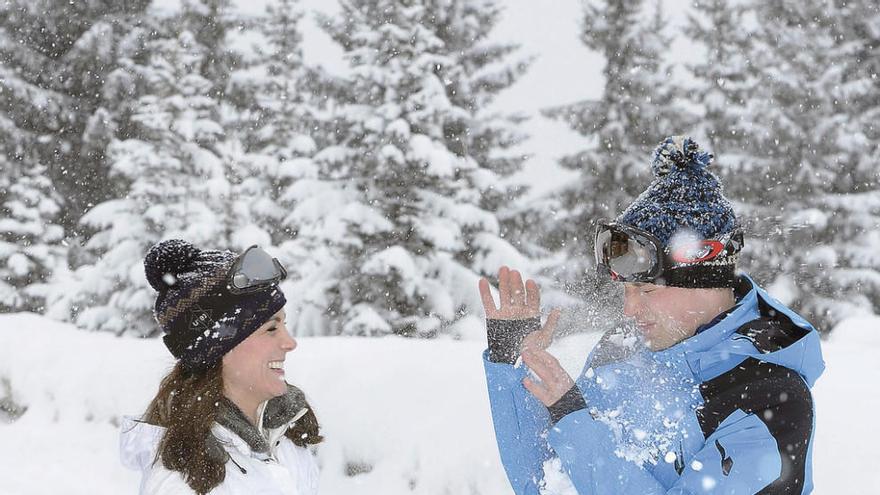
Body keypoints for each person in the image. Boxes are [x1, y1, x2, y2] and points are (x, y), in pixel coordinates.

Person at [479, 136, 825, 494]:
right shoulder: (623, 346)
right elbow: (543, 481)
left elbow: (580, 449)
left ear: (705, 284)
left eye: (646, 290)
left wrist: (574, 420)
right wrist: (509, 360)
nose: (629, 310)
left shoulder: (768, 400)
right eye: (626, 291)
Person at [120, 239, 322, 495]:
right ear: (218, 350)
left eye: (284, 324)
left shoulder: (284, 437)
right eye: (271, 329)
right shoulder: (183, 484)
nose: (290, 343)